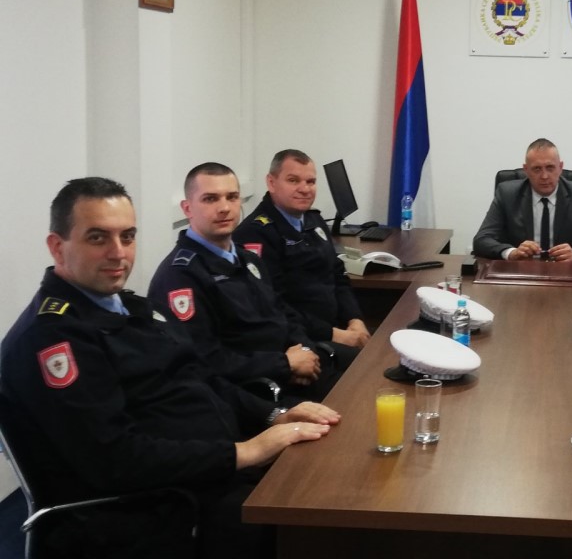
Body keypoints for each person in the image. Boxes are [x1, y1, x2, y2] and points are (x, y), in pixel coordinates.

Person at [0, 177, 339, 558]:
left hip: (206, 470)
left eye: (128, 236)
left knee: (326, 471)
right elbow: (116, 460)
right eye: (97, 238)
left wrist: (275, 415)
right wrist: (245, 452)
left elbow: (201, 377)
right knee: (314, 521)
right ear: (57, 247)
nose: (118, 253)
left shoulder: (130, 308)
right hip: (149, 509)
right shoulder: (52, 340)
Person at [148, 163, 351, 405]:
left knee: (372, 367)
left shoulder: (248, 258)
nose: (224, 207)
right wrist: (285, 364)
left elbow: (282, 314)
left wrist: (306, 352)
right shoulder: (180, 277)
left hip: (295, 367)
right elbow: (204, 360)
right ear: (187, 208)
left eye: (232, 197)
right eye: (210, 199)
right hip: (257, 393)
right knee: (362, 402)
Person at [233, 149, 370, 348]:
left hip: (336, 329)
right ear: (271, 182)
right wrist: (335, 335)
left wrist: (354, 319)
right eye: (293, 180)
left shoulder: (313, 220)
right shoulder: (255, 234)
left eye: (310, 182)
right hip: (299, 341)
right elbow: (272, 304)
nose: (305, 189)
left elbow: (337, 274)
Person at [473, 138, 572, 262]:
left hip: (565, 272)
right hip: (520, 272)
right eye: (537, 169)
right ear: (526, 170)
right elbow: (481, 240)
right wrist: (511, 252)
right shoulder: (507, 194)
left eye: (550, 168)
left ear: (560, 167)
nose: (544, 176)